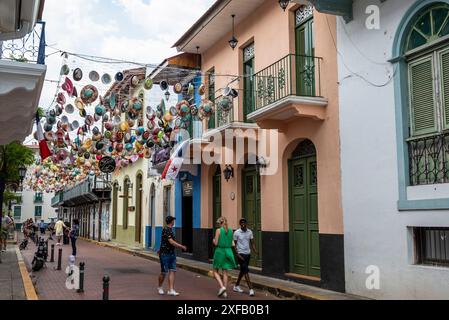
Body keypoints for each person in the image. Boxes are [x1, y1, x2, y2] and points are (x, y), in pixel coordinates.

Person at [157, 216, 187, 297]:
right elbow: (171, 242)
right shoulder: (166, 230)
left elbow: (163, 241)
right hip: (165, 254)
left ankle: (171, 290)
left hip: (171, 253)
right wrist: (181, 246)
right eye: (173, 220)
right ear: (171, 222)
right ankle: (159, 287)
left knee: (173, 270)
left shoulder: (170, 230)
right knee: (164, 272)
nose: (174, 222)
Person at [212, 216, 238, 298]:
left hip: (220, 251)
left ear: (220, 223)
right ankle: (225, 292)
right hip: (228, 251)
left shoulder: (218, 230)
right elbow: (233, 244)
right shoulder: (231, 231)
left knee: (215, 271)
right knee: (225, 272)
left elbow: (215, 243)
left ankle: (222, 287)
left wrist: (213, 240)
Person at [233, 218, 258, 297]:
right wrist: (237, 254)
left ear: (246, 223)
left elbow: (252, 242)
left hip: (248, 254)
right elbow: (234, 245)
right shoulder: (236, 232)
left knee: (242, 271)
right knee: (246, 270)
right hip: (241, 254)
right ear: (240, 224)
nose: (243, 224)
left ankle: (236, 286)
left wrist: (255, 250)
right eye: (241, 222)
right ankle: (251, 289)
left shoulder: (249, 232)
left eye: (244, 222)